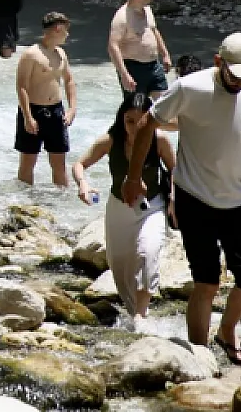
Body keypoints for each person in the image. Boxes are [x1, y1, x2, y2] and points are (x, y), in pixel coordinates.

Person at [122, 34, 241, 364]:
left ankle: (227, 331)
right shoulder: (190, 87)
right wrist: (134, 177)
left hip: (239, 200)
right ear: (219, 63)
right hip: (194, 198)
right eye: (237, 75)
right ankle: (199, 356)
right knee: (206, 282)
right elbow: (148, 122)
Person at [73, 93, 177, 321]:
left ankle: (141, 315)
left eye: (141, 121)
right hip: (119, 208)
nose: (135, 127)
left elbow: (176, 171)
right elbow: (80, 164)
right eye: (129, 121)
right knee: (118, 264)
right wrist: (83, 184)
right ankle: (131, 311)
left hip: (152, 206)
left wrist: (173, 200)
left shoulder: (159, 140)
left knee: (147, 252)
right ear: (121, 118)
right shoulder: (110, 141)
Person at [15, 11, 77, 187]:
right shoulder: (31, 54)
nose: (68, 34)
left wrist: (72, 109)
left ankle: (62, 204)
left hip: (56, 111)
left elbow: (69, 80)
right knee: (28, 162)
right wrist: (28, 117)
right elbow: (22, 87)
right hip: (34, 111)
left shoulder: (61, 54)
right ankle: (23, 203)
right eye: (66, 30)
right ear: (57, 29)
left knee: (59, 164)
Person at [110, 0, 173, 98]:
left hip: (154, 66)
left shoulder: (147, 10)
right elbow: (113, 47)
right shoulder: (122, 17)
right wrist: (124, 75)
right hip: (134, 69)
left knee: (164, 106)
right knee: (137, 111)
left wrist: (165, 54)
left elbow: (154, 31)